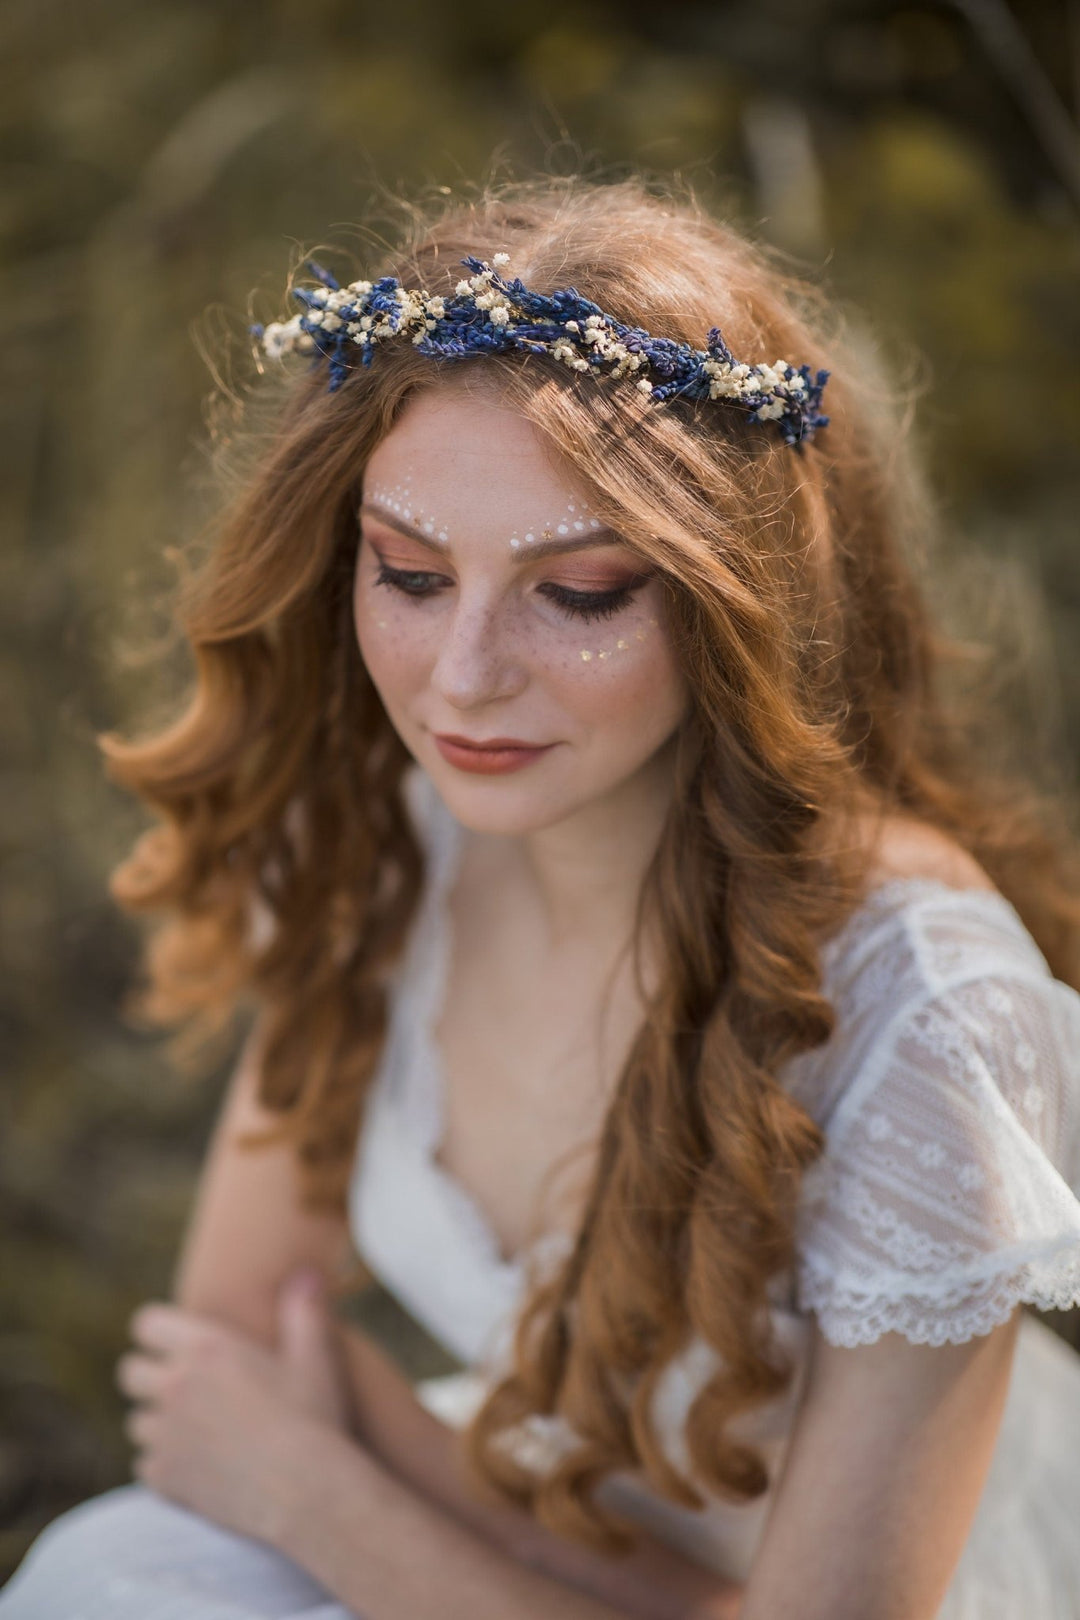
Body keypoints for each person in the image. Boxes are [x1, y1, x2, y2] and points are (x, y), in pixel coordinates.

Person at [3, 173, 1080, 1620]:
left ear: (733, 598)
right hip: (513, 1530)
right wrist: (351, 1469)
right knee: (103, 1578)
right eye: (409, 571)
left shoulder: (924, 1015)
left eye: (577, 595)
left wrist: (329, 1481)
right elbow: (233, 1358)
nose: (463, 679)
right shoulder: (398, 840)